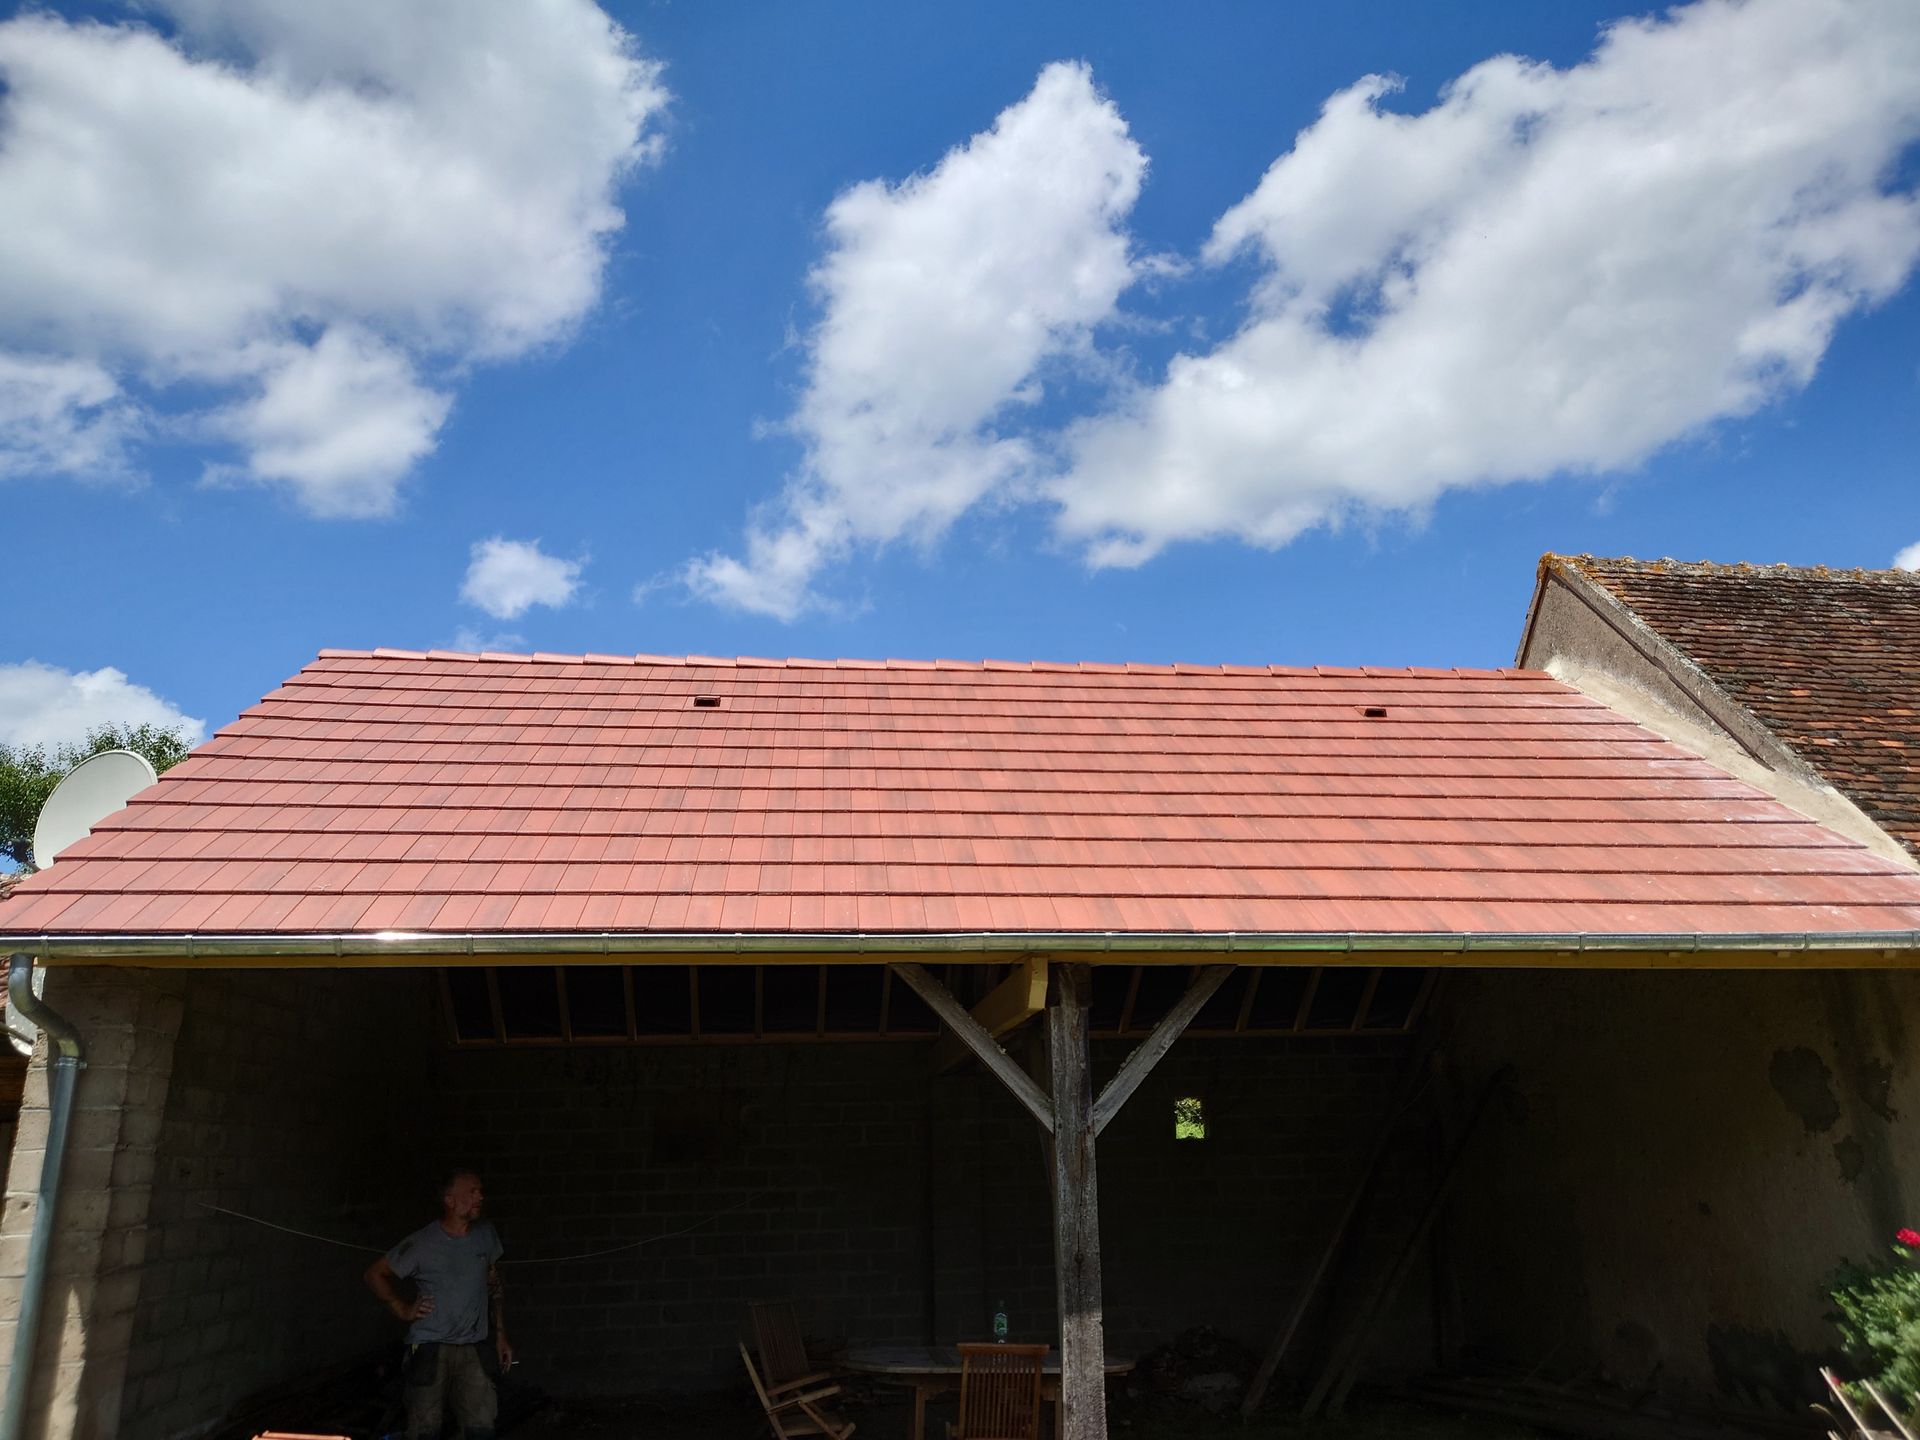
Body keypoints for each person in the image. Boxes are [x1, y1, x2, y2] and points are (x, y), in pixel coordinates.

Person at [365, 1168, 514, 1440]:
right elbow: (375, 1274)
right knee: (425, 1430)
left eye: (480, 1191)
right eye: (472, 1191)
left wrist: (501, 1335)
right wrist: (402, 1308)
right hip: (431, 1348)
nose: (480, 1196)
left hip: (473, 1347)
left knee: (480, 1428)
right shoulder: (423, 1242)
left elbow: (494, 1286)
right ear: (450, 1200)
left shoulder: (485, 1235)